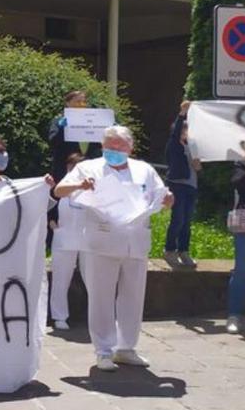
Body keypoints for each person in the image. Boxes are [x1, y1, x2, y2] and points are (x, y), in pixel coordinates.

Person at [55, 126, 173, 372]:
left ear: (130, 147)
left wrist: (167, 201)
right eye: (109, 146)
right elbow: (59, 190)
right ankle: (104, 350)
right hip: (102, 241)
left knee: (133, 296)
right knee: (101, 297)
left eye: (119, 146)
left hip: (136, 241)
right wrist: (80, 186)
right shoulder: (88, 168)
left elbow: (159, 196)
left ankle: (126, 348)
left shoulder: (145, 170)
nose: (114, 151)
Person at [46, 91, 103, 244]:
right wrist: (61, 128)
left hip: (87, 167)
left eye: (83, 101)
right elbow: (53, 141)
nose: (81, 105)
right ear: (68, 103)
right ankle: (54, 237)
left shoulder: (91, 120)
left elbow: (98, 144)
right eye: (77, 101)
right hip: (65, 167)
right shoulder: (59, 120)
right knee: (60, 199)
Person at [49, 153, 86, 331]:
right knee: (61, 278)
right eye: (70, 167)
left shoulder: (92, 187)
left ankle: (98, 315)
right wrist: (53, 226)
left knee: (95, 278)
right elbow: (47, 206)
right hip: (64, 237)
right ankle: (59, 315)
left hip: (88, 239)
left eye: (76, 167)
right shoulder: (57, 185)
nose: (72, 170)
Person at [164, 101, 200, 268]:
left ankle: (183, 251)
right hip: (177, 185)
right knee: (177, 219)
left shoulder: (191, 147)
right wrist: (182, 114)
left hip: (191, 187)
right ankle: (170, 250)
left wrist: (197, 164)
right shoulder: (174, 146)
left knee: (187, 221)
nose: (188, 133)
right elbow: (175, 132)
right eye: (186, 129)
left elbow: (197, 166)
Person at [228, 159, 245, 335]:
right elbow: (238, 184)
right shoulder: (241, 164)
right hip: (244, 222)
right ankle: (235, 315)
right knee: (241, 269)